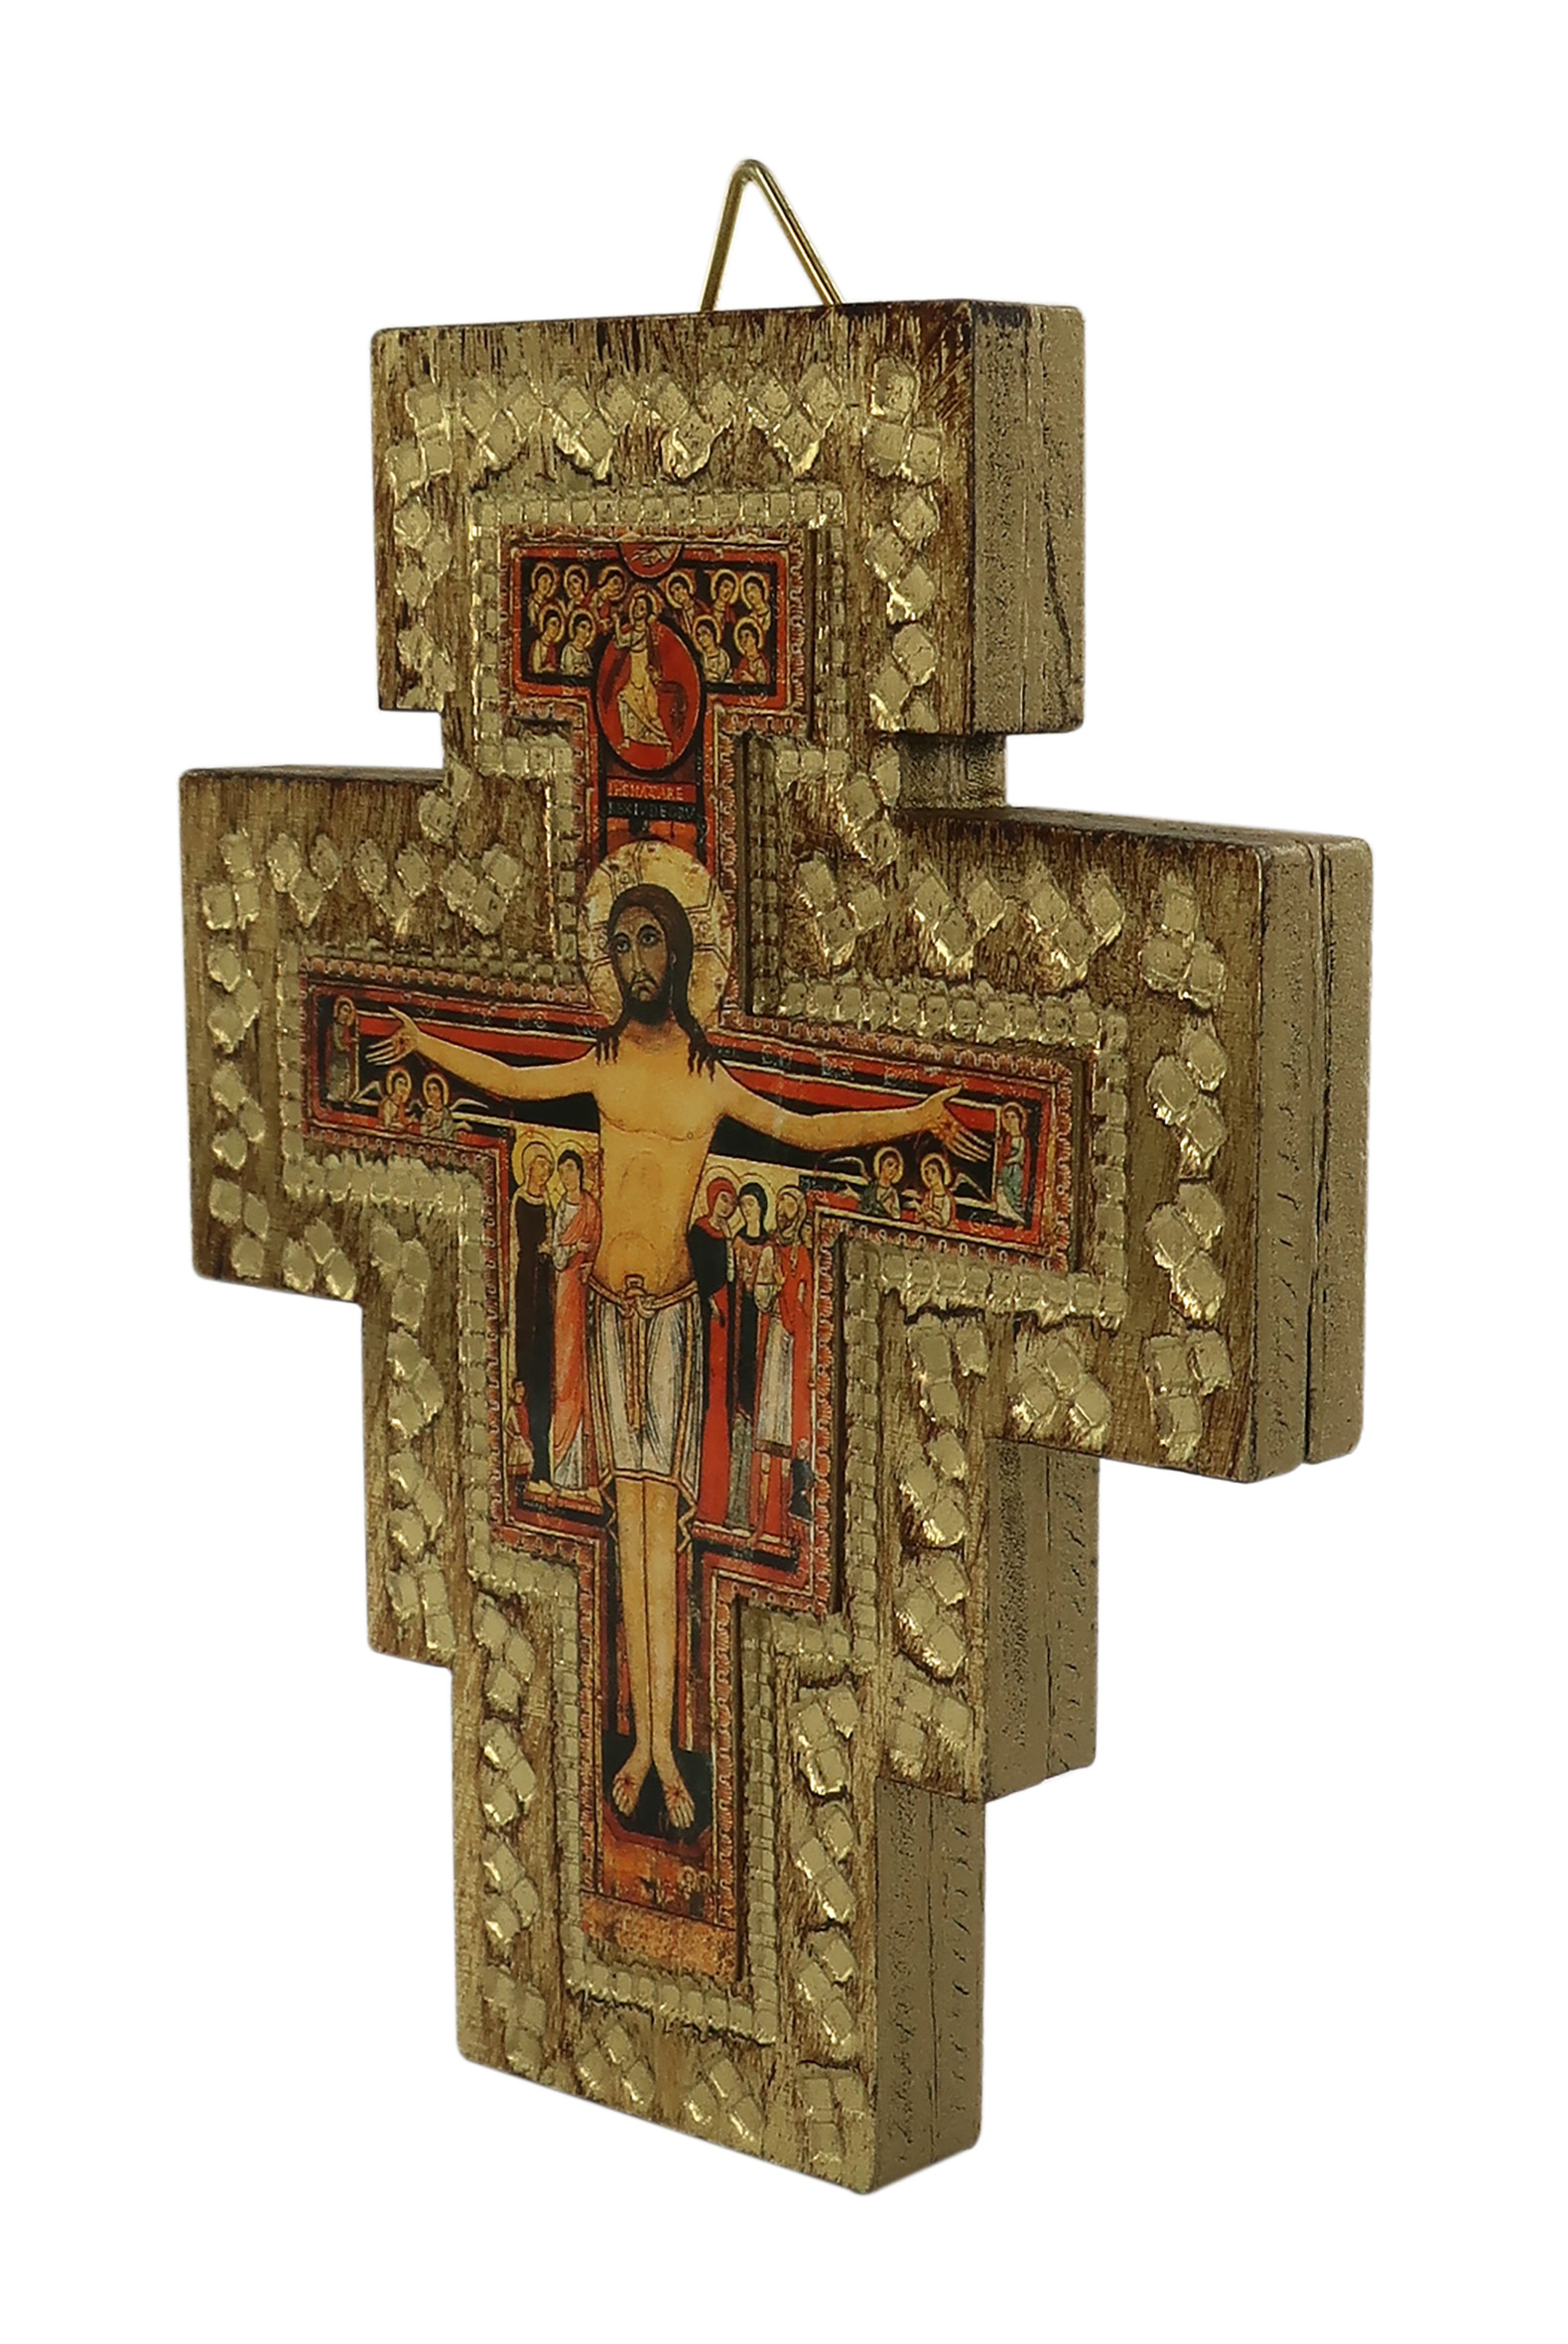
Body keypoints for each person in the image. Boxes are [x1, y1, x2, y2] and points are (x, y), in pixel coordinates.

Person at [370, 878, 981, 1836]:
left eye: (650, 941)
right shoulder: (604, 1064)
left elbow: (811, 1130)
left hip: (672, 1323)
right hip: (608, 1317)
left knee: (667, 1534)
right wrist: (425, 1044)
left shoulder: (709, 1081)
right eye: (620, 946)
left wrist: (914, 1118)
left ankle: (662, 1743)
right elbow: (510, 1081)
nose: (635, 963)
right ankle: (647, 1747)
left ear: (684, 955)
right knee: (631, 1527)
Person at [549, 1150, 600, 1490]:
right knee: (566, 1369)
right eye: (562, 1171)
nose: (567, 1175)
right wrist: (573, 1248)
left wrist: (588, 1258)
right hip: (566, 1291)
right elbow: (556, 1255)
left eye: (571, 1169)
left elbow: (599, 1247)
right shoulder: (561, 1210)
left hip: (586, 1290)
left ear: (580, 1171)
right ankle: (564, 1465)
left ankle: (588, 1471)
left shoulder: (591, 1208)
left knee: (587, 1370)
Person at [511, 1138, 555, 1481]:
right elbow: (517, 1240)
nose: (545, 1173)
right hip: (525, 1279)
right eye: (542, 1166)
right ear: (529, 1167)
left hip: (545, 1284)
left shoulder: (549, 1204)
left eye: (549, 1169)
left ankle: (543, 1461)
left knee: (543, 1364)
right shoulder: (519, 1200)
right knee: (524, 1351)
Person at [996, 1100, 1028, 1222]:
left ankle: (1018, 1218)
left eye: (1013, 1117)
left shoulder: (1021, 1139)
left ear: (1019, 1119)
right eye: (1007, 1117)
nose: (1010, 1120)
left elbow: (1021, 1156)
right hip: (1005, 1170)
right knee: (1001, 1190)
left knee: (1013, 1194)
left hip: (1015, 1171)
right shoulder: (1007, 1138)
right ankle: (1002, 1215)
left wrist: (1010, 1160)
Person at [325, 995, 359, 1106]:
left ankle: (344, 1099)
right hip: (336, 1058)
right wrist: (343, 1047)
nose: (346, 1014)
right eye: (344, 1010)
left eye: (348, 1011)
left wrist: (352, 1041)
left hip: (344, 1058)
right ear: (338, 1010)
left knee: (346, 1077)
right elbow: (336, 1040)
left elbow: (345, 1039)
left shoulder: (345, 1028)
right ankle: (332, 1100)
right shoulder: (335, 1026)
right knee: (336, 1078)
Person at [916, 1149, 956, 1229]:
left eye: (933, 1171)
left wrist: (931, 1214)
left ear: (941, 1173)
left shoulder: (946, 1198)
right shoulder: (929, 1196)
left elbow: (944, 1221)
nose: (929, 1176)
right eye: (926, 1172)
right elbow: (920, 1216)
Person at [869, 1144, 904, 1220]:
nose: (892, 1170)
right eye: (889, 1164)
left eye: (896, 1167)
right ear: (882, 1164)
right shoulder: (872, 1187)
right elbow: (864, 1207)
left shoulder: (892, 1193)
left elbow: (897, 1216)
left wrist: (888, 1209)